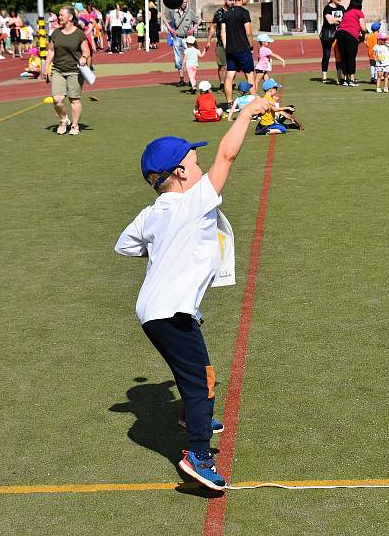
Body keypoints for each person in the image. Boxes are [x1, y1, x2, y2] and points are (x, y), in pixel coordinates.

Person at [114, 97, 274, 491]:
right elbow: (227, 155)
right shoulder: (193, 201)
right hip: (170, 310)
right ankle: (198, 456)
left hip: (153, 310)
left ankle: (192, 413)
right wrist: (247, 113)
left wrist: (163, 247)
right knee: (203, 378)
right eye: (195, 162)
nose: (202, 167)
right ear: (181, 172)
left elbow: (126, 246)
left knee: (192, 374)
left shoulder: (153, 213)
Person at [44, 6, 91, 135]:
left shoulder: (79, 34)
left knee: (74, 99)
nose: (59, 17)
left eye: (61, 15)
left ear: (70, 17)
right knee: (57, 99)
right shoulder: (56, 33)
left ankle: (75, 125)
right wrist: (46, 66)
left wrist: (83, 57)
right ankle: (64, 119)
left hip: (74, 71)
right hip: (58, 69)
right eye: (58, 15)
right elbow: (51, 51)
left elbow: (86, 51)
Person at [221, 0, 257, 105]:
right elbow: (248, 32)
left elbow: (223, 32)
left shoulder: (226, 14)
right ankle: (253, 101)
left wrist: (226, 47)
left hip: (230, 50)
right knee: (250, 75)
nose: (247, 0)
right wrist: (251, 47)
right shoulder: (244, 12)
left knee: (229, 76)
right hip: (243, 49)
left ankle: (230, 102)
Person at [163, 0, 199, 87]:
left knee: (190, 59)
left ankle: (191, 79)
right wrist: (170, 29)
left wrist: (193, 29)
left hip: (187, 39)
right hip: (177, 38)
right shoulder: (173, 12)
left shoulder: (190, 12)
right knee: (178, 59)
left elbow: (198, 20)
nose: (185, 4)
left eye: (186, 2)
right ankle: (181, 78)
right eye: (183, 2)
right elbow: (164, 19)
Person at [334, 0, 368, 86]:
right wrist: (365, 35)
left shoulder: (346, 12)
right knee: (351, 57)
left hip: (340, 34)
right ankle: (352, 79)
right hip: (350, 35)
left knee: (343, 57)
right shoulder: (358, 12)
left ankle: (346, 79)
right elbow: (363, 28)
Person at [319, 0, 345, 83]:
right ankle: (324, 76)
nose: (340, 0)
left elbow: (344, 20)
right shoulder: (327, 8)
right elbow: (330, 21)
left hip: (339, 34)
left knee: (339, 55)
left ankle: (339, 76)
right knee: (326, 55)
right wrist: (338, 20)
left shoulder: (342, 8)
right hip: (328, 35)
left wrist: (337, 20)